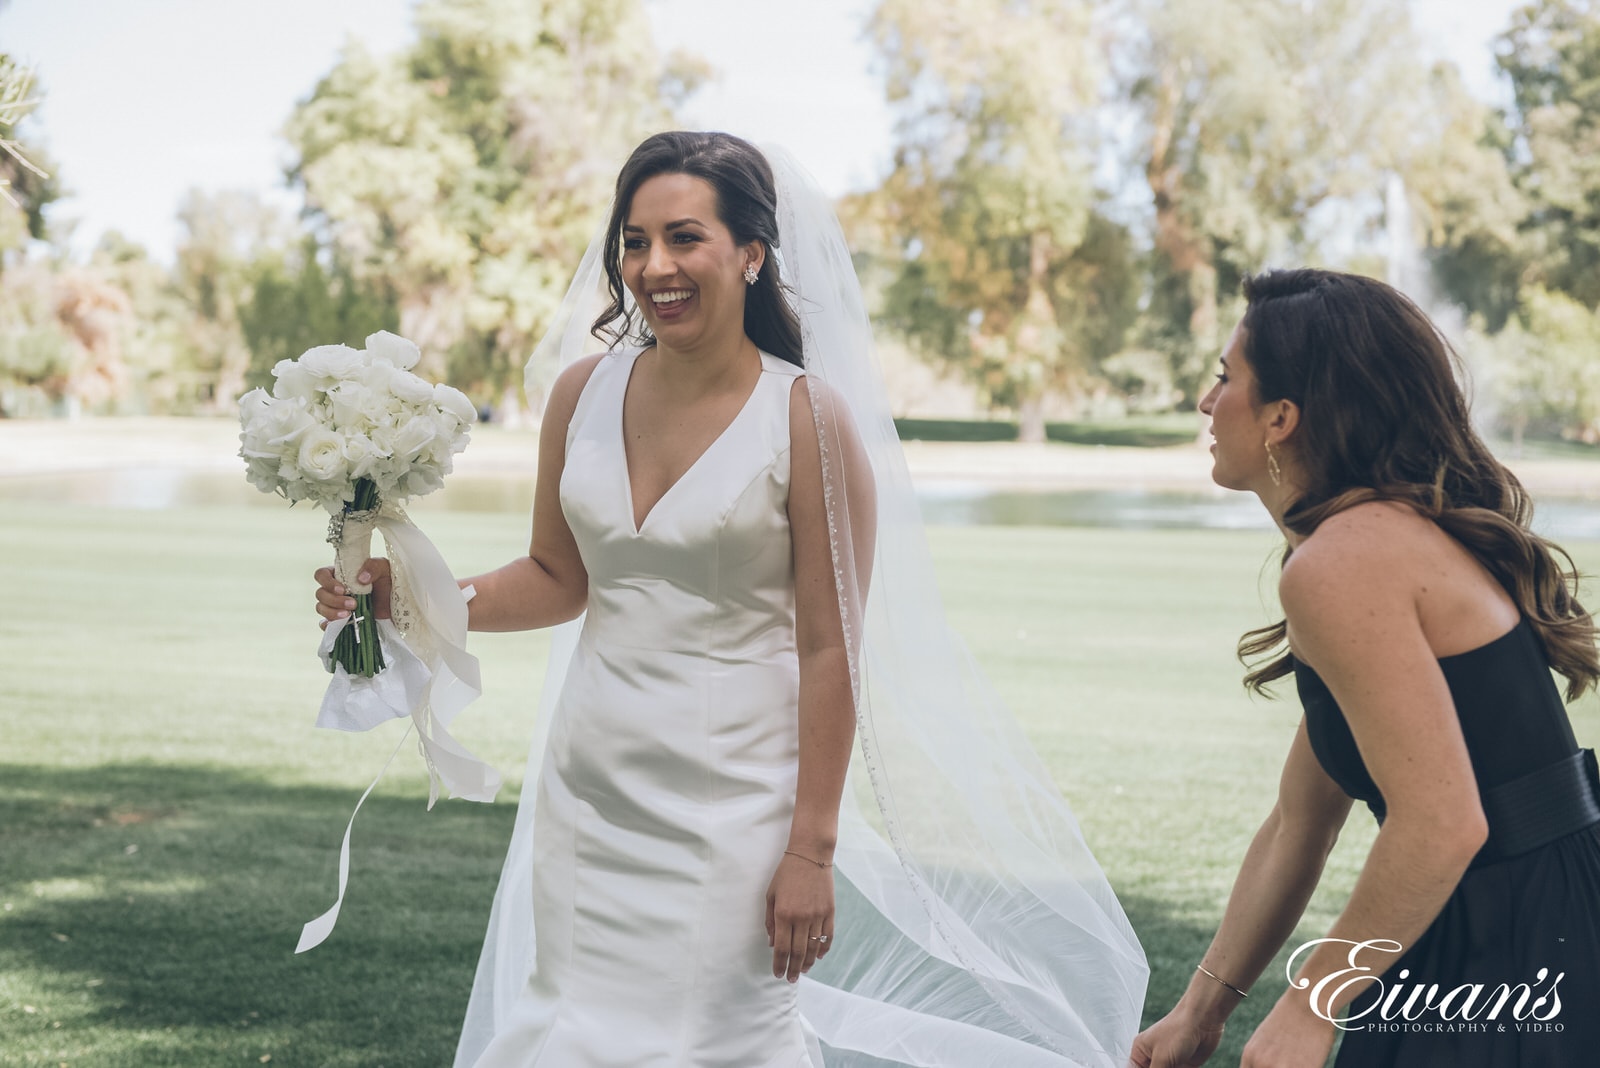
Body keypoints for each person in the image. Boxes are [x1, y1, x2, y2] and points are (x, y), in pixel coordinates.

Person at [317, 131, 1147, 1067]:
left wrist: (812, 852)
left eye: (684, 238)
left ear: (752, 253)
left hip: (735, 812)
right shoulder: (581, 394)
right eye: (634, 242)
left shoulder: (808, 420)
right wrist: (410, 597)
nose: (654, 267)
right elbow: (559, 578)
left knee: (714, 1043)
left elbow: (831, 649)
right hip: (589, 798)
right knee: (570, 1028)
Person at [1130, 268, 1600, 1068]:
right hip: (1504, 911)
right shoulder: (1364, 541)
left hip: (1516, 936)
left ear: (1282, 417)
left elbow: (1444, 823)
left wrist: (1312, 1002)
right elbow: (1298, 823)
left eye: (1225, 378)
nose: (1209, 403)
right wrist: (1200, 1010)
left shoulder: (1346, 561)